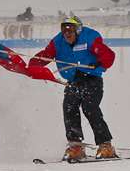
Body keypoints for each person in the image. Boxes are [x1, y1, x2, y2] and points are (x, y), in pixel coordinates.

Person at [29, 16, 117, 160]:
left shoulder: (90, 37)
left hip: (92, 79)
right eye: (64, 29)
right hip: (73, 81)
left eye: (70, 29)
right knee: (69, 108)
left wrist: (99, 62)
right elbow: (46, 55)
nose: (66, 33)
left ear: (78, 29)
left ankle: (106, 145)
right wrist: (32, 65)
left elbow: (108, 54)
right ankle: (76, 146)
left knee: (90, 108)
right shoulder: (58, 41)